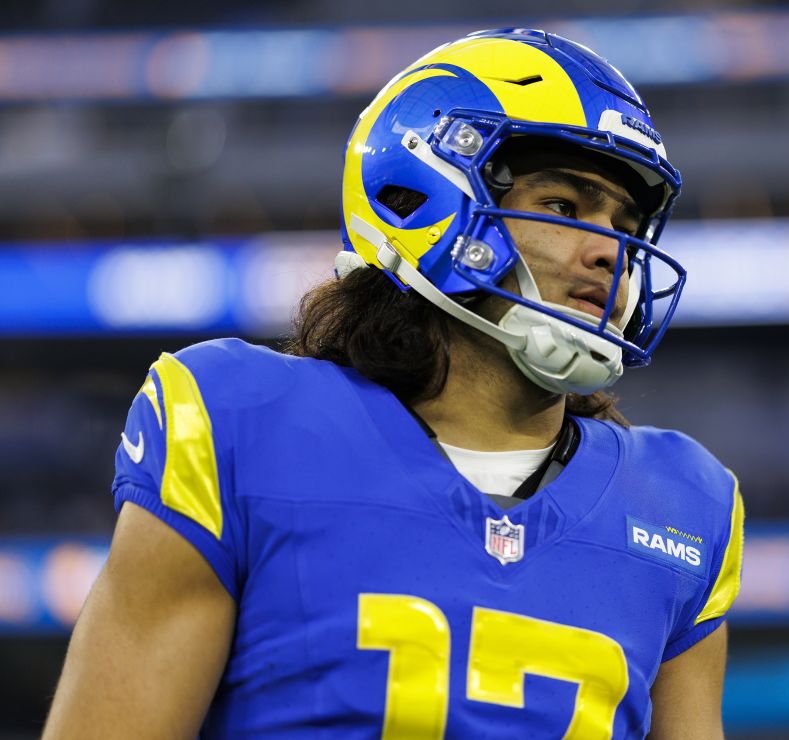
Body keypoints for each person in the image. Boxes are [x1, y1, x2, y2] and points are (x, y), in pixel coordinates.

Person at [44, 28, 743, 739]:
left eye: (626, 225)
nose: (610, 253)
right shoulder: (239, 422)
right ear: (427, 196)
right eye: (565, 207)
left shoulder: (685, 504)